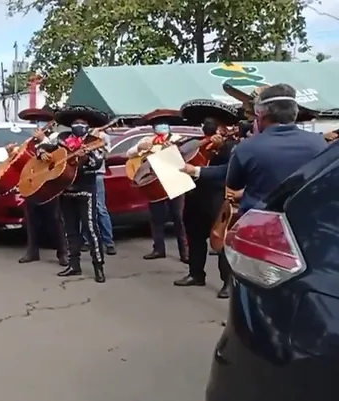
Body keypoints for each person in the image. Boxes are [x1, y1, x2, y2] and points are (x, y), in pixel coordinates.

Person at [182, 83, 328, 215]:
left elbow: (233, 184)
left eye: (251, 114)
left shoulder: (248, 147)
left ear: (261, 114)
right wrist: (195, 170)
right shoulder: (319, 144)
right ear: (294, 113)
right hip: (305, 224)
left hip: (259, 226)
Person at [172, 99, 238, 297]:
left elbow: (227, 171)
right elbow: (181, 158)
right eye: (206, 121)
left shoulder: (233, 145)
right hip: (195, 194)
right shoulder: (195, 142)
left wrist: (219, 148)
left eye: (214, 121)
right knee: (194, 235)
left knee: (220, 238)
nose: (209, 124)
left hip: (217, 195)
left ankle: (227, 282)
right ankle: (195, 274)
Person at [38, 105, 110, 282]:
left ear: (88, 125)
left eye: (83, 122)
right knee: (69, 230)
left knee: (91, 229)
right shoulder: (62, 138)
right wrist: (42, 153)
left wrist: (88, 156)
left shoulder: (94, 140)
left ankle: (98, 266)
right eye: (76, 122)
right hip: (64, 189)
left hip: (86, 190)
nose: (79, 125)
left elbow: (97, 163)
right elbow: (43, 147)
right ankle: (74, 265)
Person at [125, 109, 189, 262]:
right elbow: (129, 153)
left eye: (163, 124)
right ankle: (158, 248)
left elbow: (185, 155)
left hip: (174, 181)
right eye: (157, 124)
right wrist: (139, 148)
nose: (161, 126)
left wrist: (173, 149)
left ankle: (185, 251)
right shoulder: (147, 139)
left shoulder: (177, 138)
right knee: (156, 217)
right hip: (154, 183)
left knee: (179, 218)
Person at [12, 106, 69, 266]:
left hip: (49, 185)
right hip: (32, 184)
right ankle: (32, 251)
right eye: (36, 120)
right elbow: (26, 161)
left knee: (55, 220)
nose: (39, 123)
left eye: (42, 120)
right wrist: (13, 152)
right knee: (31, 220)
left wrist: (44, 140)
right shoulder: (30, 141)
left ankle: (63, 252)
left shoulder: (58, 137)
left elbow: (60, 154)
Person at [85, 127, 115, 256]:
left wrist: (98, 142)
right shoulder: (80, 135)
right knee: (85, 209)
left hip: (97, 174)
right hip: (83, 174)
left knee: (100, 208)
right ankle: (87, 240)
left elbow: (107, 156)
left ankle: (108, 242)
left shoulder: (103, 136)